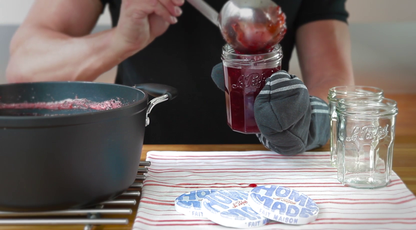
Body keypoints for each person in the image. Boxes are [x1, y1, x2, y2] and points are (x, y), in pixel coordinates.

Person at [6, 0, 354, 149]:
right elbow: (23, 70)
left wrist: (309, 124)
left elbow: (333, 82)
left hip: (270, 163)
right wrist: (120, 42)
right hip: (139, 164)